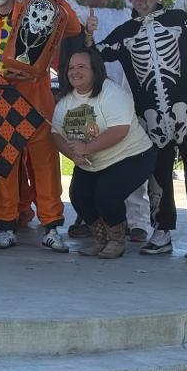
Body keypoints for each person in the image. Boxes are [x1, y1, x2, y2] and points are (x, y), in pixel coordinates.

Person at [55, 0, 187, 243]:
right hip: (109, 104)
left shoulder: (166, 20)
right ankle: (104, 220)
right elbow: (81, 16)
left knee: (140, 165)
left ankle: (140, 222)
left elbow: (185, 9)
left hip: (148, 105)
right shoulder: (117, 19)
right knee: (104, 159)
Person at [93, 0, 187, 256]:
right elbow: (94, 56)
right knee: (156, 175)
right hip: (150, 118)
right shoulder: (123, 33)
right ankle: (161, 230)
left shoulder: (177, 20)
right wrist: (84, 37)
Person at [0, 0, 81, 252]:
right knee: (5, 169)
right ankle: (6, 226)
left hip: (38, 104)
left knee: (46, 167)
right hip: (0, 104)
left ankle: (53, 226)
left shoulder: (35, 8)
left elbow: (73, 25)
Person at [51, 51, 155, 258]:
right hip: (92, 162)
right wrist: (73, 155)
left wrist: (86, 149)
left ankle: (116, 240)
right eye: (71, 67)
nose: (74, 72)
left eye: (81, 67)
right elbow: (56, 135)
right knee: (79, 197)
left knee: (106, 195)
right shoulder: (65, 102)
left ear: (95, 70)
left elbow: (119, 130)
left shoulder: (112, 94)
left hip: (131, 156)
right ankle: (101, 239)